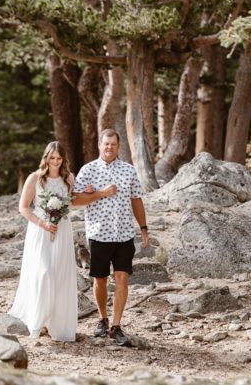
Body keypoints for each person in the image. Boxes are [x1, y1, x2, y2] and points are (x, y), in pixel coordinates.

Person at [71, 129, 150, 346]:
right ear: (99, 145)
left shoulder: (128, 170)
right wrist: (100, 193)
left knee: (122, 277)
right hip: (99, 234)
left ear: (118, 146)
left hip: (124, 233)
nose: (109, 147)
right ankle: (102, 319)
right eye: (106, 144)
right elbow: (75, 200)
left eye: (113, 144)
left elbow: (136, 200)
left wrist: (143, 227)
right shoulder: (88, 170)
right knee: (100, 279)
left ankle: (116, 326)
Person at [8, 141, 89, 342]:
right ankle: (36, 321)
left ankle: (57, 325)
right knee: (43, 273)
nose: (55, 161)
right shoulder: (35, 178)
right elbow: (23, 207)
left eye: (59, 158)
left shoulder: (69, 178)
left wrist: (87, 192)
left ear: (63, 159)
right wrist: (43, 223)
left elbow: (72, 201)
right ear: (46, 157)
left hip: (62, 230)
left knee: (59, 275)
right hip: (39, 231)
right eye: (52, 157)